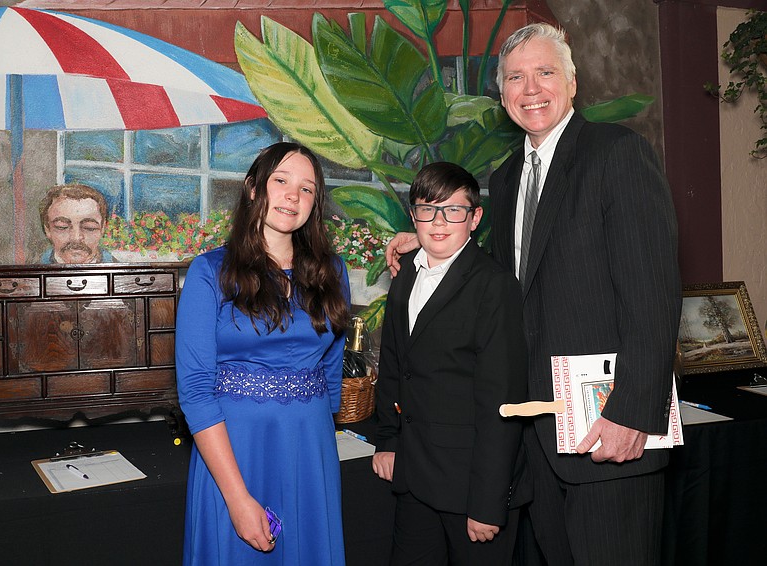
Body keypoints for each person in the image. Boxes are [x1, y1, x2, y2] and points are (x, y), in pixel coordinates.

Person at [386, 23, 681, 566]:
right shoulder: (506, 177)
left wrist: (634, 413)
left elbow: (653, 296)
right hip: (537, 437)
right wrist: (430, 243)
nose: (531, 88)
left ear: (572, 83)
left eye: (545, 73)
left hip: (608, 430)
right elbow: (502, 283)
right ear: (502, 97)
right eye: (517, 78)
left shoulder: (617, 154)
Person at [175, 142, 350, 565]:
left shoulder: (333, 271)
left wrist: (316, 442)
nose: (294, 195)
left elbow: (331, 369)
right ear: (253, 189)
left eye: (307, 189)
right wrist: (236, 499)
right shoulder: (210, 271)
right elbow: (196, 391)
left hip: (310, 452)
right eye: (281, 181)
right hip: (234, 454)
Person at [372, 162, 527, 565]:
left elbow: (502, 403)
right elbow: (393, 363)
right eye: (427, 209)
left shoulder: (494, 286)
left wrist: (488, 502)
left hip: (470, 490)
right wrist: (388, 440)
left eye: (453, 210)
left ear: (474, 218)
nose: (438, 222)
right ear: (413, 215)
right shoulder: (406, 271)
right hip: (413, 478)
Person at [38, 183, 114, 264]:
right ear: (47, 229)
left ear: (103, 228)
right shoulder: (30, 274)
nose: (76, 238)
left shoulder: (122, 274)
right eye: (62, 227)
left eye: (89, 228)